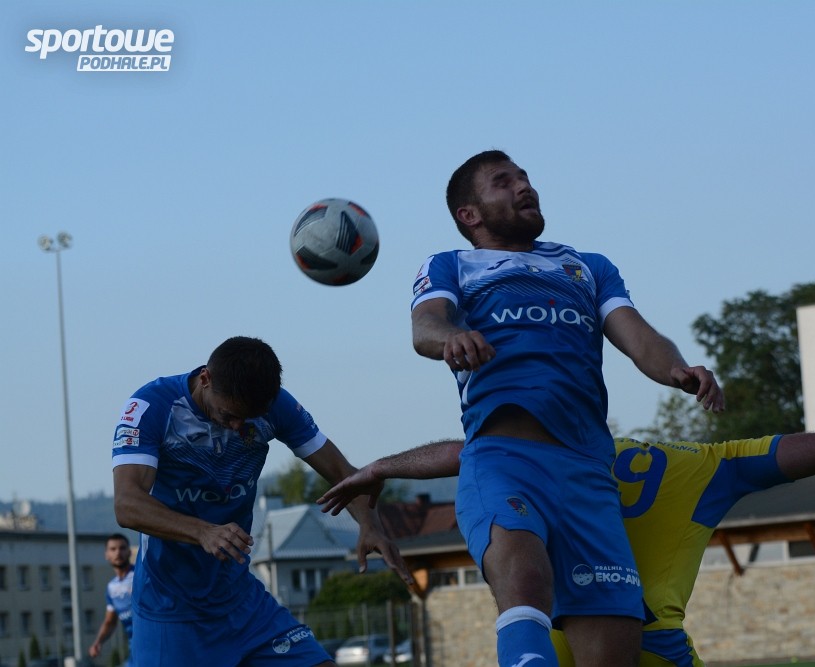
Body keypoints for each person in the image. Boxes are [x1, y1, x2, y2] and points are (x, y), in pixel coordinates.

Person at [404, 150, 723, 667]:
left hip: (588, 473)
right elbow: (425, 326)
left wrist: (677, 369)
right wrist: (451, 337)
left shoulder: (588, 267)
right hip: (505, 459)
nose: (523, 186)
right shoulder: (451, 264)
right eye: (503, 181)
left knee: (613, 652)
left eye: (524, 177)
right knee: (525, 576)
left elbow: (639, 337)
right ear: (470, 214)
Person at [318, 431, 815, 667]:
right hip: (648, 641)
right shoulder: (710, 464)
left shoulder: (564, 454)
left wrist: (379, 467)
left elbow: (464, 450)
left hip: (551, 635)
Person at [112, 336, 412, 667]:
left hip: (240, 600)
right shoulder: (152, 406)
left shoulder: (276, 405)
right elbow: (127, 504)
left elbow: (342, 472)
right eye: (229, 415)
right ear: (205, 378)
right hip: (169, 608)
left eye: (249, 418)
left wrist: (370, 524)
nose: (238, 427)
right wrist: (202, 531)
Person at [89, 533, 135, 666]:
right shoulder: (111, 587)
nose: (118, 553)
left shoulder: (140, 575)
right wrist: (98, 642)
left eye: (122, 548)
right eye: (113, 549)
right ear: (106, 555)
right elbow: (110, 622)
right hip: (134, 648)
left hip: (153, 642)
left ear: (129, 552)